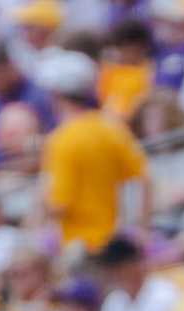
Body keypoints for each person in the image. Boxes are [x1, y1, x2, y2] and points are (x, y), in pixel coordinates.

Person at [39, 52, 152, 251]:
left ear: (55, 94)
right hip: (116, 244)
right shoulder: (112, 128)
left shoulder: (62, 139)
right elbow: (142, 181)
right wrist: (140, 230)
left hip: (80, 246)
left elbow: (59, 205)